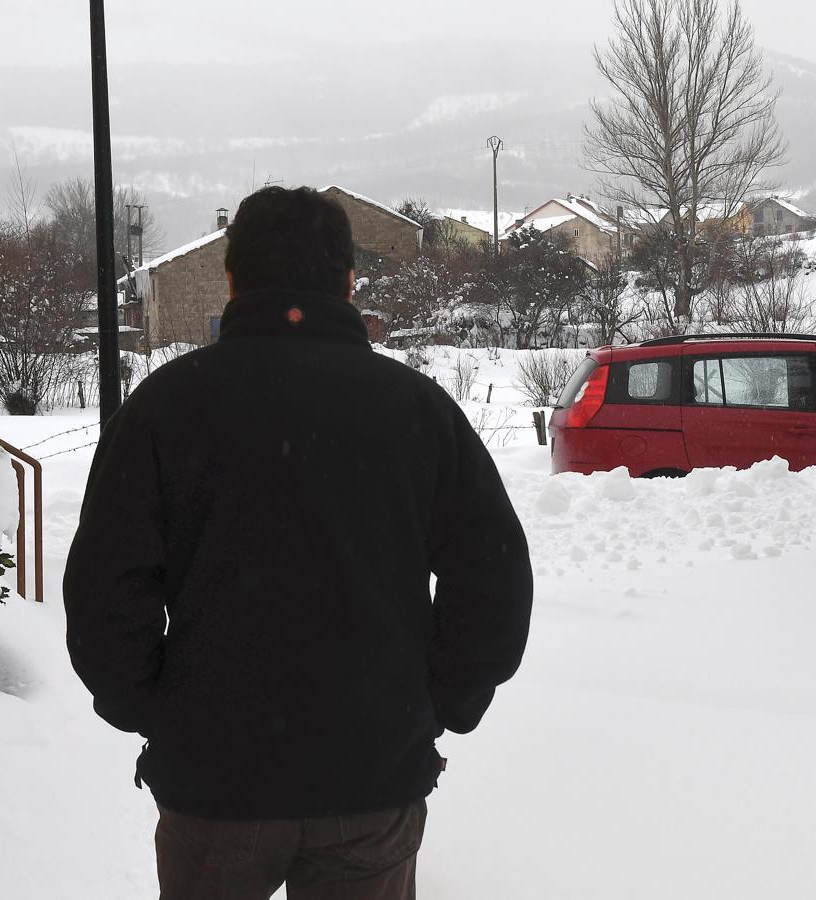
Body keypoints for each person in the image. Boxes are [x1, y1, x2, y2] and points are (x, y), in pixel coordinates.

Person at [63, 186, 533, 900]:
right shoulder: (414, 411)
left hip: (213, 786)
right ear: (348, 281)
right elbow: (494, 579)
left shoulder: (166, 407)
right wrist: (441, 703)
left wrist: (154, 708)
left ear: (231, 277)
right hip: (371, 782)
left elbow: (103, 592)